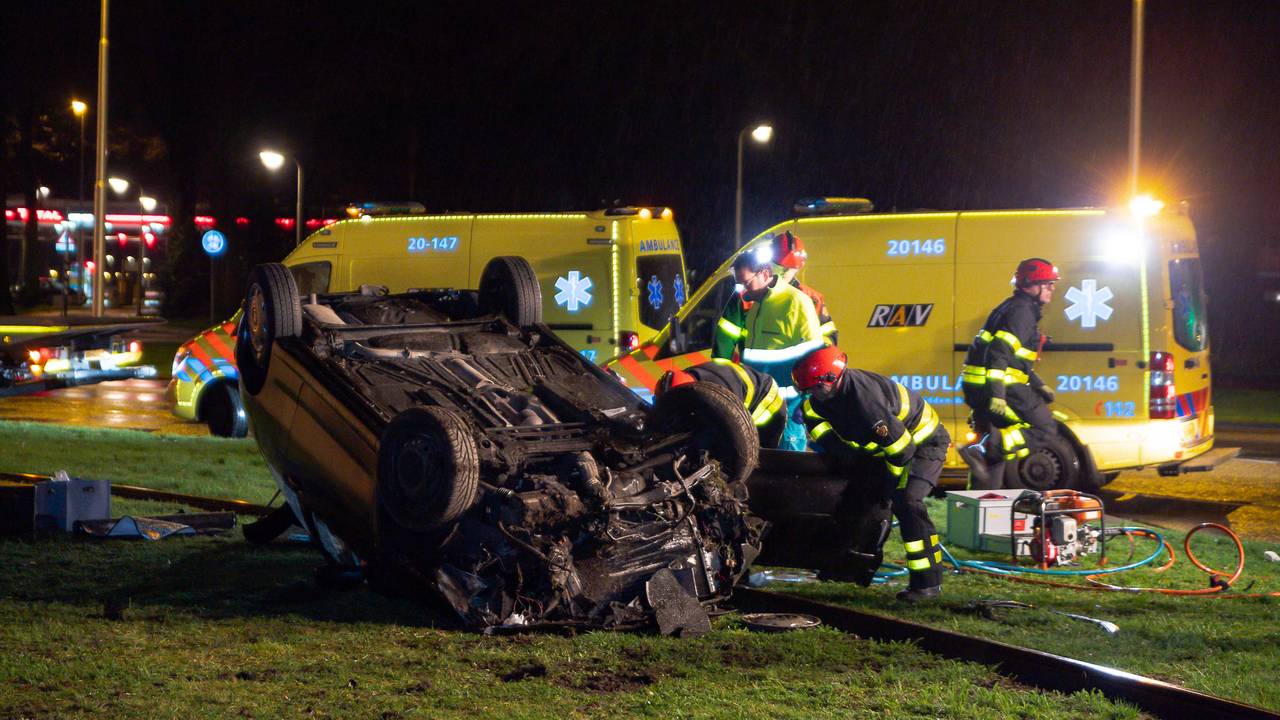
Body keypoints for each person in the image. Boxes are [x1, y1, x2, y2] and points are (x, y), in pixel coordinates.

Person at [793, 345, 950, 602]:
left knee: (907, 501)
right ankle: (846, 567)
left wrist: (889, 487)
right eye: (807, 389)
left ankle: (927, 584)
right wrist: (846, 459)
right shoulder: (818, 401)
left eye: (815, 388)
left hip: (923, 445)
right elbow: (818, 426)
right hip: (887, 450)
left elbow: (902, 451)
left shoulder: (865, 402)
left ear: (832, 377)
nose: (812, 394)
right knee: (852, 496)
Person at [959, 257, 1060, 489]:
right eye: (1048, 283)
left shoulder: (1012, 307)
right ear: (1033, 285)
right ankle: (984, 447)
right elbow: (999, 352)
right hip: (998, 385)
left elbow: (1016, 360)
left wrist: (1038, 384)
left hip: (978, 385)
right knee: (1045, 427)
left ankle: (982, 503)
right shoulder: (1022, 313)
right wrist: (998, 395)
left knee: (993, 460)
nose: (1053, 288)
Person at [712, 246, 825, 451]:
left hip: (789, 407)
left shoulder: (796, 302)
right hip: (760, 404)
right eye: (740, 285)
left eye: (746, 283)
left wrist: (807, 401)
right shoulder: (756, 305)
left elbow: (816, 357)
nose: (744, 292)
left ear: (764, 274)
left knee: (788, 470)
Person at [655, 359, 785, 448]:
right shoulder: (689, 377)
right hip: (745, 386)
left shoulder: (720, 393)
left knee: (754, 455)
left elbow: (731, 427)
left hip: (767, 400)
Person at [771, 231, 838, 344]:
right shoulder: (752, 294)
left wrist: (816, 351)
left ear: (798, 268)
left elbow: (829, 333)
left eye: (788, 268)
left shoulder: (812, 299)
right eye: (780, 267)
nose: (784, 273)